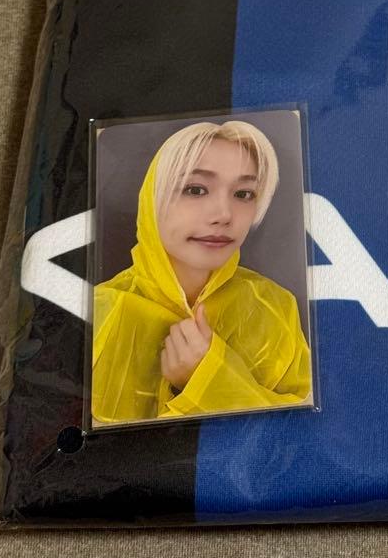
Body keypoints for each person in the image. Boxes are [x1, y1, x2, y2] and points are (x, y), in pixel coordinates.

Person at [91, 120, 312, 425]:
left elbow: (301, 432)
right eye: (195, 189)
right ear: (151, 198)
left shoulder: (274, 307)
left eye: (244, 194)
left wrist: (206, 378)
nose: (223, 214)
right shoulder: (100, 312)